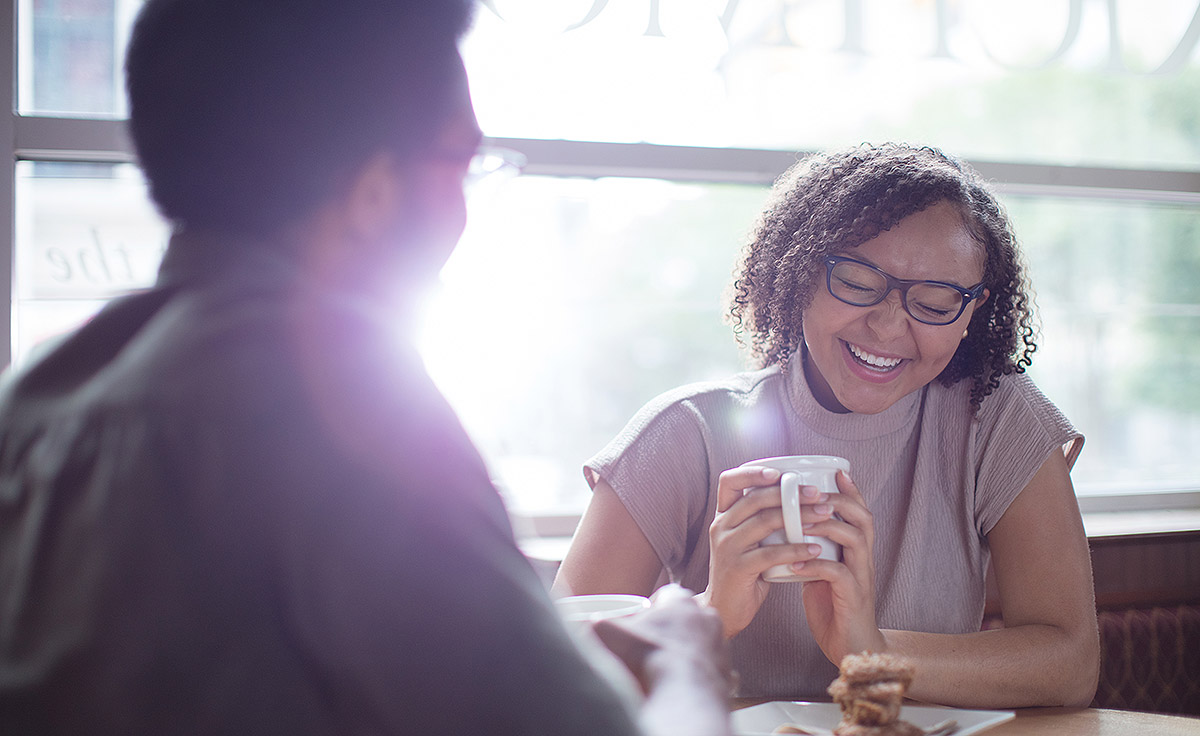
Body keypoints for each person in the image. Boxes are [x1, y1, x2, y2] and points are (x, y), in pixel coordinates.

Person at [0, 1, 732, 734]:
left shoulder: (36, 400)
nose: (465, 208)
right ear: (376, 190)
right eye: (461, 163)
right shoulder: (339, 408)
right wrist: (687, 663)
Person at [554, 143, 1101, 709]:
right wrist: (711, 611)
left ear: (973, 311)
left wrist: (873, 650)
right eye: (860, 282)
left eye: (936, 301)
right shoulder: (686, 432)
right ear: (802, 270)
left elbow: (1069, 664)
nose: (888, 326)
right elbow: (550, 670)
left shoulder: (997, 422)